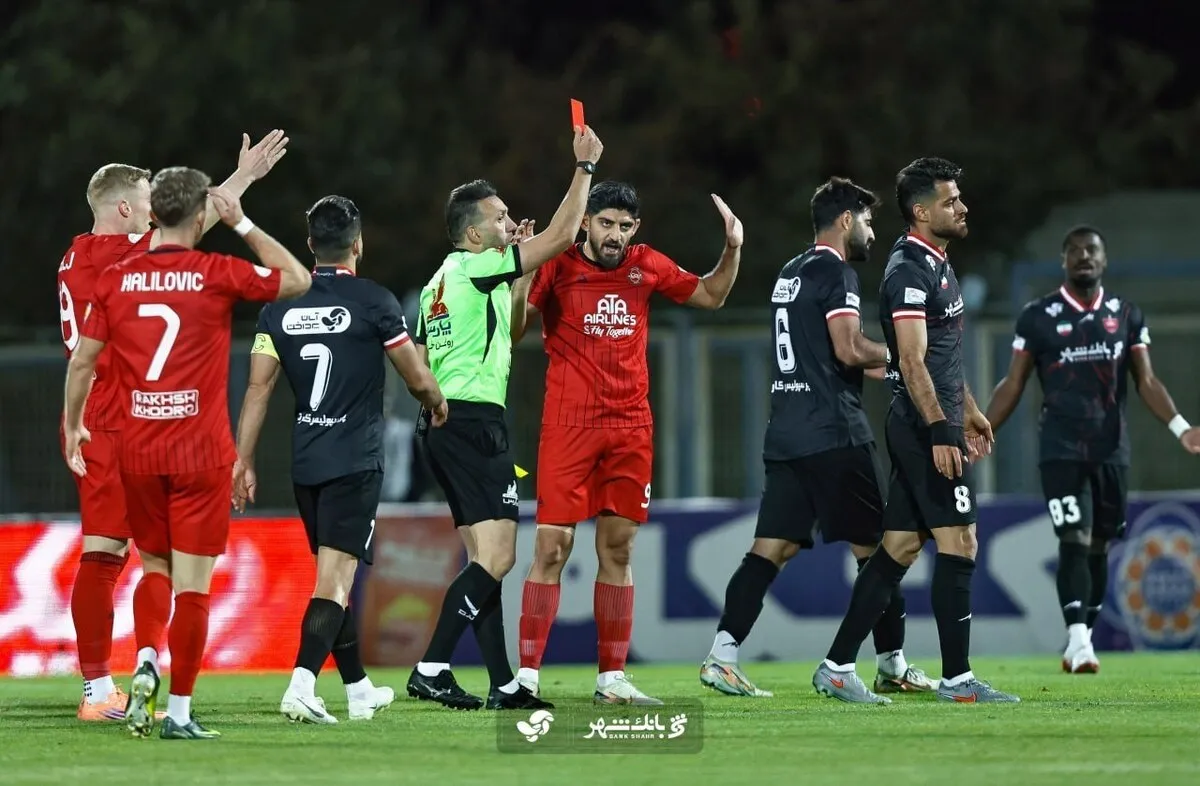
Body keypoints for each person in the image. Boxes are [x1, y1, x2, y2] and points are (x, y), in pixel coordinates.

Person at [63, 167, 311, 739]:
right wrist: (238, 202)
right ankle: (138, 699)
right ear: (127, 211)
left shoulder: (93, 263)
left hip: (125, 430)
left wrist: (71, 423)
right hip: (164, 432)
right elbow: (286, 275)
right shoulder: (183, 267)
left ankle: (138, 664)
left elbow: (82, 359)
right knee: (154, 570)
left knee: (140, 561)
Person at [699, 178, 937, 701]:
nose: (871, 232)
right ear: (846, 219)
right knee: (883, 550)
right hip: (834, 433)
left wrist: (885, 368)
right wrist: (903, 355)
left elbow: (825, 356)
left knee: (771, 549)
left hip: (788, 432)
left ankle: (722, 656)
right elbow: (849, 348)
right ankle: (889, 663)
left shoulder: (791, 272)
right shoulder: (837, 271)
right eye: (868, 221)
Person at [512, 181, 743, 705]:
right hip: (568, 426)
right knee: (552, 547)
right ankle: (526, 677)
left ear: (635, 228)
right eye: (605, 223)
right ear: (585, 223)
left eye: (624, 226)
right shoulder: (556, 264)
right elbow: (513, 329)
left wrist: (732, 248)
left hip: (630, 428)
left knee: (618, 548)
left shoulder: (646, 265)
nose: (614, 235)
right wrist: (523, 275)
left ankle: (611, 679)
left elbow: (710, 295)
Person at [405, 124, 604, 711]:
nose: (510, 224)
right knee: (499, 558)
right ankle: (432, 667)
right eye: (500, 218)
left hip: (444, 423)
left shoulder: (441, 281)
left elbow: (510, 332)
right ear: (474, 232)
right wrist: (584, 168)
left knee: (482, 562)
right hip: (473, 424)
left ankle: (502, 684)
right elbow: (565, 235)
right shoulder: (475, 267)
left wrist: (520, 273)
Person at [231, 195, 448, 724]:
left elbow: (258, 388)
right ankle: (302, 686)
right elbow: (415, 377)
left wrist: (243, 460)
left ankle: (358, 689)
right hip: (354, 460)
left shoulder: (278, 307)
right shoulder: (375, 301)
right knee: (334, 581)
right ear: (358, 244)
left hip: (307, 462)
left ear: (310, 245)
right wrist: (438, 402)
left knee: (335, 579)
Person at [812, 157, 1020, 704]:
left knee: (900, 548)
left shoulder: (938, 262)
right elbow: (910, 359)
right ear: (922, 212)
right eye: (951, 201)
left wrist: (967, 408)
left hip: (933, 420)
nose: (963, 207)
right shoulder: (908, 269)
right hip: (922, 427)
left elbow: (941, 356)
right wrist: (942, 430)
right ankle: (958, 679)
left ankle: (836, 666)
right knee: (961, 540)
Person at [985, 225, 1200, 673]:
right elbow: (1013, 381)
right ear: (1064, 260)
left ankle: (1078, 639)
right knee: (1074, 538)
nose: (1084, 256)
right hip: (1060, 448)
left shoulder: (1126, 313)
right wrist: (983, 428)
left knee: (1100, 544)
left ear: (1104, 260)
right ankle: (1080, 640)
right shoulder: (1038, 316)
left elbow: (1146, 380)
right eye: (1076, 251)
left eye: (1092, 250)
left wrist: (1181, 428)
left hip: (1110, 449)